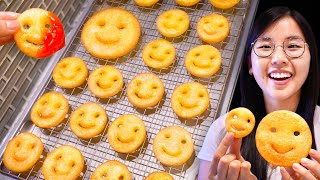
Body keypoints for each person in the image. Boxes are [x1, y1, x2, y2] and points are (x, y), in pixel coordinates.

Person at [197, 6, 320, 180]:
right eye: (265, 46)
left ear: (311, 59)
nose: (278, 58)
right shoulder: (223, 130)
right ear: (250, 64)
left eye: (293, 46)